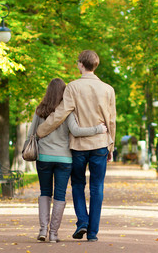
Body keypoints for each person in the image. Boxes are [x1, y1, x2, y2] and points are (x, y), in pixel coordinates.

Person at [37, 50, 116, 242]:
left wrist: (41, 131)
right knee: (97, 187)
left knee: (78, 185)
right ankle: (93, 233)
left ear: (81, 64)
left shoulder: (72, 87)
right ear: (95, 65)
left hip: (79, 146)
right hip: (100, 144)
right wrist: (111, 145)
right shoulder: (108, 89)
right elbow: (111, 120)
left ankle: (82, 221)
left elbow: (61, 113)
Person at [26, 78, 107, 243]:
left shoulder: (39, 110)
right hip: (64, 159)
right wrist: (98, 129)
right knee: (60, 195)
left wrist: (27, 148)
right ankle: (54, 234)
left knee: (45, 192)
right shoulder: (67, 111)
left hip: (44, 157)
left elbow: (31, 133)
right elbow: (76, 131)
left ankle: (43, 230)